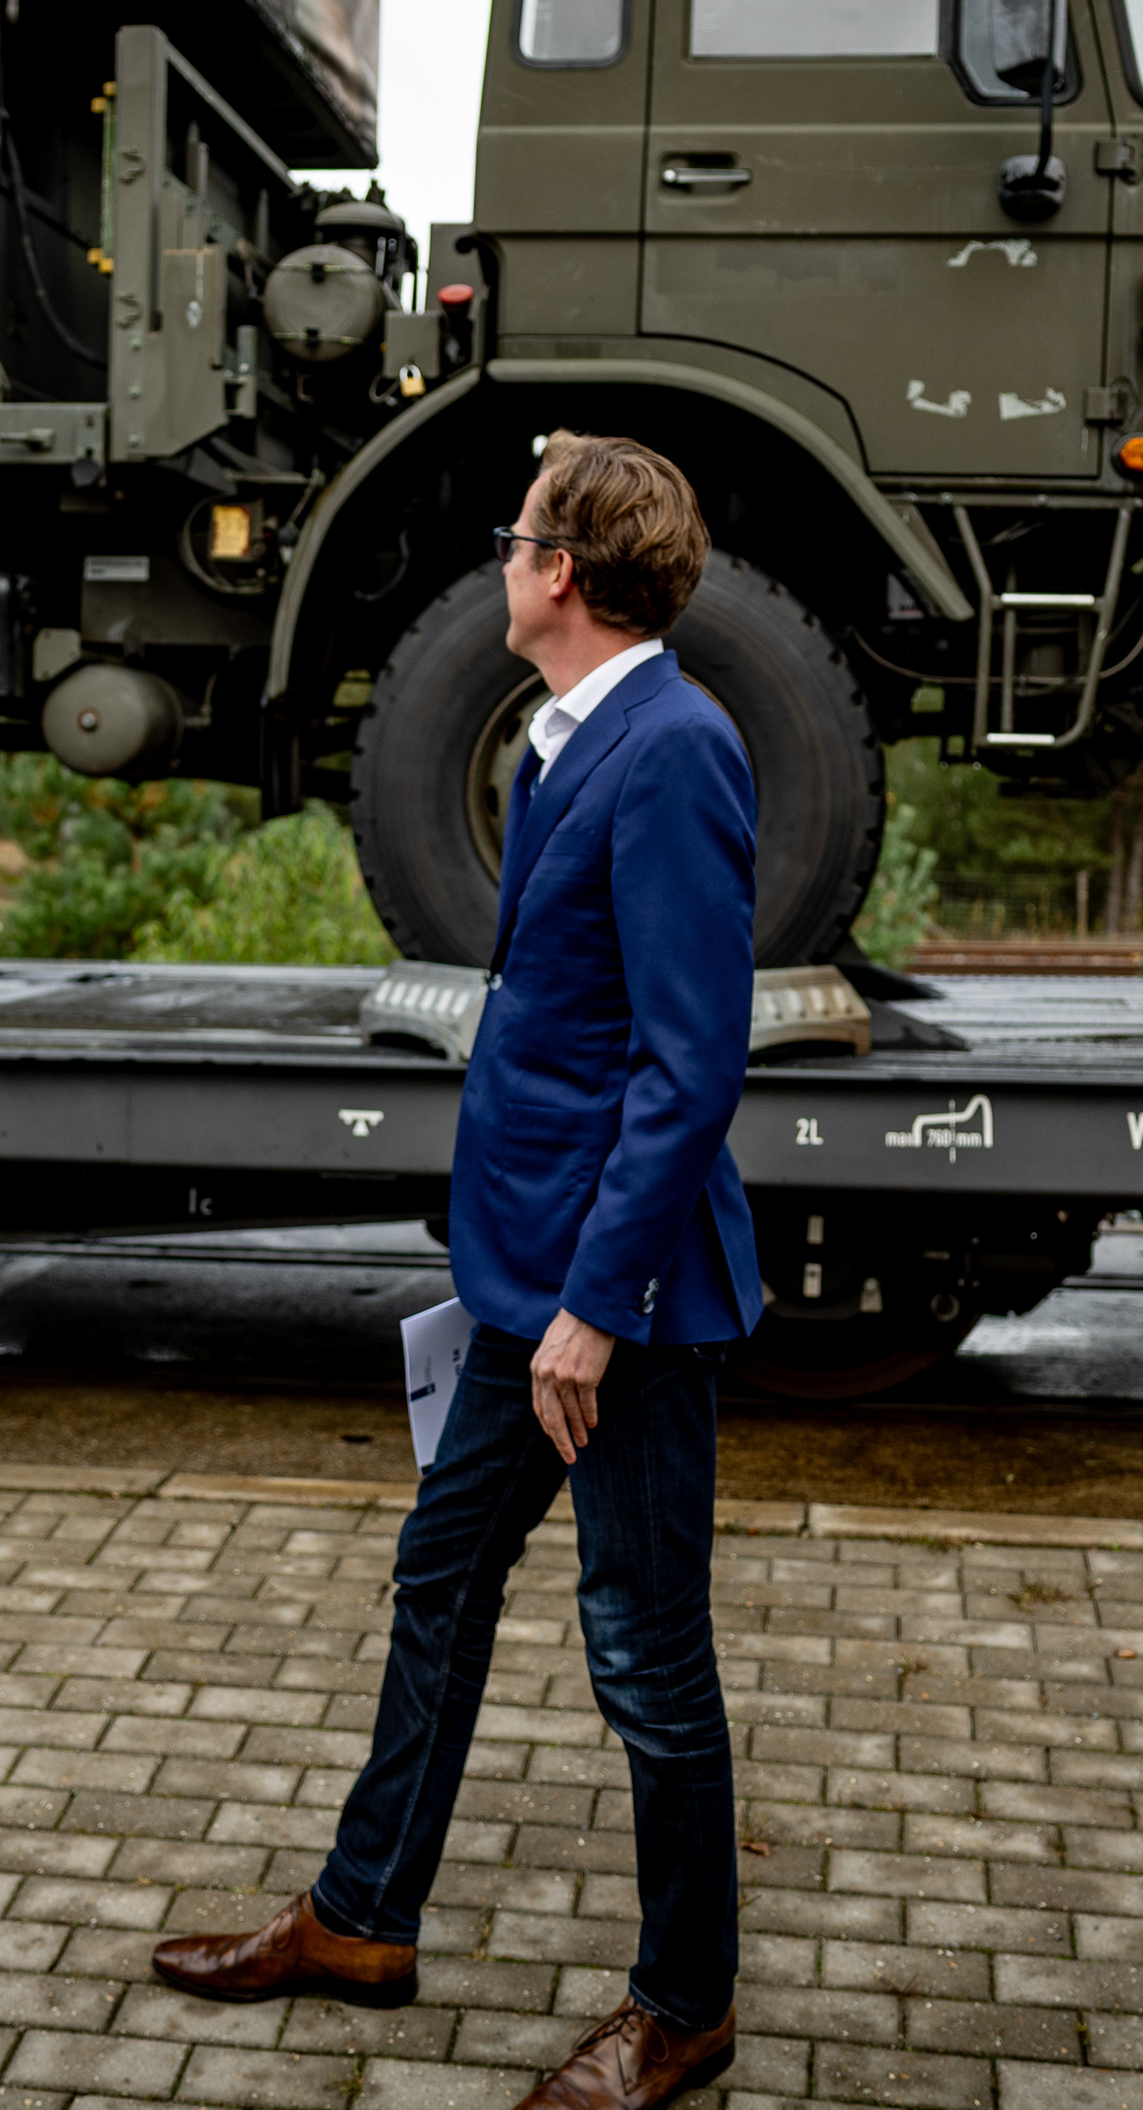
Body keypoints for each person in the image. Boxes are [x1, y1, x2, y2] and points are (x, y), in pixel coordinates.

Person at [152, 432, 758, 2110]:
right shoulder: (569, 744)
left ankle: (685, 2006)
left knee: (646, 1656)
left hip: (611, 1304)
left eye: (515, 538)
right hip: (527, 1284)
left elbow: (692, 1064)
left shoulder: (674, 748)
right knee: (440, 1582)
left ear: (562, 572)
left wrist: (594, 1308)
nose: (500, 561)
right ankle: (362, 1918)